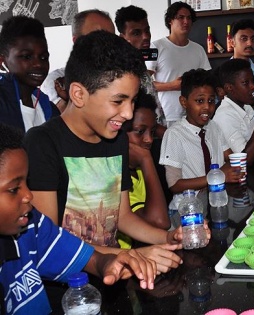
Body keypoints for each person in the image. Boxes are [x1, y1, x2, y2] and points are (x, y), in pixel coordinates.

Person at [24, 31, 202, 274]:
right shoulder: (43, 143)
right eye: (118, 101)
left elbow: (122, 216)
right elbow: (51, 240)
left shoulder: (115, 139)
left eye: (132, 101)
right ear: (78, 94)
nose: (128, 114)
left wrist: (167, 237)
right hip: (68, 287)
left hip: (114, 276)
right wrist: (132, 255)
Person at [0, 123, 157, 314]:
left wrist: (107, 263)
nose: (28, 196)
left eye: (27, 183)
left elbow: (87, 258)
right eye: (14, 189)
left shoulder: (33, 228)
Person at [160, 69, 243, 203]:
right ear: (183, 102)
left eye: (211, 101)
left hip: (216, 200)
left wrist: (235, 167)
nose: (207, 107)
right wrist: (217, 177)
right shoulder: (174, 135)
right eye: (200, 101)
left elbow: (229, 156)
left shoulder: (213, 127)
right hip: (188, 209)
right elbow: (174, 185)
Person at [118, 90, 170, 249]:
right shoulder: (118, 176)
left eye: (152, 132)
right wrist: (146, 159)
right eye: (140, 131)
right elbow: (160, 222)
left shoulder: (138, 171)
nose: (148, 139)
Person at [146, 2, 211, 127]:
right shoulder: (154, 46)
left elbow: (206, 81)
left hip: (193, 115)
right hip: (166, 115)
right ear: (170, 20)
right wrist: (171, 86)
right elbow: (143, 83)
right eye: (180, 17)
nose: (186, 21)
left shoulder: (198, 49)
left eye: (189, 18)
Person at [40, 9, 115, 113]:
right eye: (96, 37)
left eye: (111, 38)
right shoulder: (57, 81)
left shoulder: (122, 77)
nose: (106, 44)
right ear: (77, 42)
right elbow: (58, 119)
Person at [0, 16, 59, 132]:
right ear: (2, 61)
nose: (38, 64)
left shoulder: (48, 108)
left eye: (43, 57)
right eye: (27, 57)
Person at [115, 5, 167, 137]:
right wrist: (171, 135)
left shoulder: (140, 62)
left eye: (147, 30)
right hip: (142, 140)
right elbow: (134, 117)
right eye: (136, 33)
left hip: (156, 134)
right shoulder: (123, 71)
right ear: (122, 37)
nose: (145, 37)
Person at [213, 59, 254, 165]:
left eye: (253, 81)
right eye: (245, 83)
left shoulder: (246, 107)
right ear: (229, 88)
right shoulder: (225, 115)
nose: (253, 86)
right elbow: (245, 160)